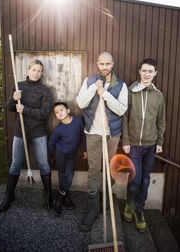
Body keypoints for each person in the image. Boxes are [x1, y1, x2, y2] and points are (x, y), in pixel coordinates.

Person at [76, 51, 128, 231]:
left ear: (113, 64)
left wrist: (105, 94)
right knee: (93, 170)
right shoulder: (89, 81)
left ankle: (105, 199)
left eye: (108, 64)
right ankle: (93, 209)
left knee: (108, 169)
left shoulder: (120, 85)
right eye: (101, 64)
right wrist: (93, 89)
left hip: (111, 134)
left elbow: (121, 110)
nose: (104, 67)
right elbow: (81, 103)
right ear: (97, 64)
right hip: (92, 133)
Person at [0, 59, 52, 212]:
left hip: (38, 132)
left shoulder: (44, 90)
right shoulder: (19, 85)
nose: (36, 73)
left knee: (43, 163)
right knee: (16, 163)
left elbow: (44, 112)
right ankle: (9, 196)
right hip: (20, 132)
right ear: (28, 70)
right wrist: (13, 99)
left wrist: (25, 109)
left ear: (41, 73)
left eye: (39, 71)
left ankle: (48, 194)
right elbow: (10, 108)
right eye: (33, 70)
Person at [122, 58, 166, 232]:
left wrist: (160, 142)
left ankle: (139, 211)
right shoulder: (131, 91)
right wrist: (125, 141)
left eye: (151, 71)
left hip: (150, 145)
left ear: (155, 73)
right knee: (135, 179)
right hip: (133, 145)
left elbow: (161, 120)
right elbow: (125, 118)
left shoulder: (158, 95)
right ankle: (130, 205)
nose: (147, 74)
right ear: (139, 71)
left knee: (146, 180)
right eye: (144, 70)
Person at [48, 102, 87, 216]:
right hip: (61, 154)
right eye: (56, 112)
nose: (59, 113)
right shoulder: (59, 129)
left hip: (71, 154)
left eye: (61, 110)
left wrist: (85, 149)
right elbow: (51, 143)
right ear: (55, 116)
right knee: (61, 174)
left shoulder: (78, 121)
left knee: (69, 176)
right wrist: (55, 154)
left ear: (68, 111)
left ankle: (60, 197)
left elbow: (83, 135)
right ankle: (65, 197)